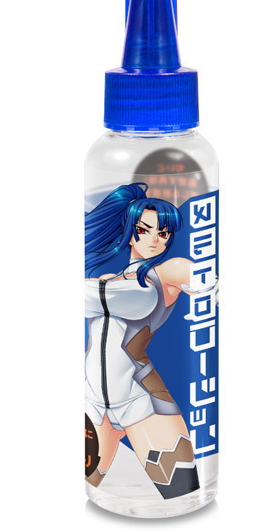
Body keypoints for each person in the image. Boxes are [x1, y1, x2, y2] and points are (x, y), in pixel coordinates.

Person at [84, 183, 200, 499]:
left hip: (141, 400)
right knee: (93, 494)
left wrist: (210, 284)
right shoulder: (107, 280)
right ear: (130, 231)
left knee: (182, 497)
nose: (154, 240)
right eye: (144, 230)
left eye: (163, 233)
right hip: (92, 400)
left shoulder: (166, 273)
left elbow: (199, 276)